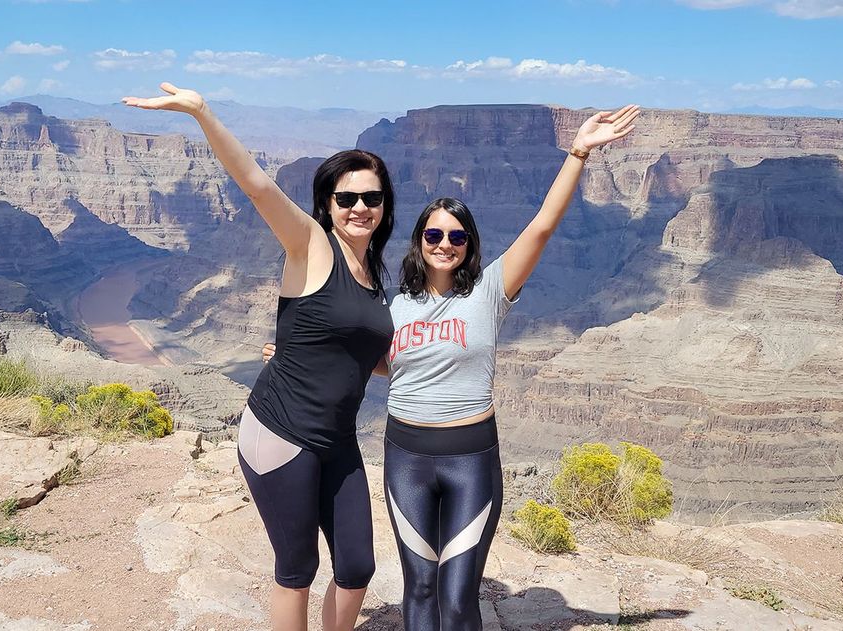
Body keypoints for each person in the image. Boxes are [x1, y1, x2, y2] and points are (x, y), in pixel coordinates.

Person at [264, 104, 640, 629]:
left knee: (459, 595)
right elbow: (375, 363)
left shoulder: (491, 291)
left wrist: (578, 152)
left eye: (457, 237)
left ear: (470, 246)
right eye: (434, 235)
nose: (445, 245)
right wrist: (296, 356)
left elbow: (542, 227)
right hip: (406, 458)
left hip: (470, 459)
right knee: (418, 588)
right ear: (419, 241)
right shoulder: (394, 308)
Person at [124, 83, 396, 631]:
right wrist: (202, 113)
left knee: (357, 566)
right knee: (297, 568)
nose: (360, 207)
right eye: (347, 198)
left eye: (371, 197)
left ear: (385, 205)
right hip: (282, 432)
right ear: (327, 205)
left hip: (337, 437)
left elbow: (371, 358)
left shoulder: (375, 275)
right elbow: (256, 186)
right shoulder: (311, 245)